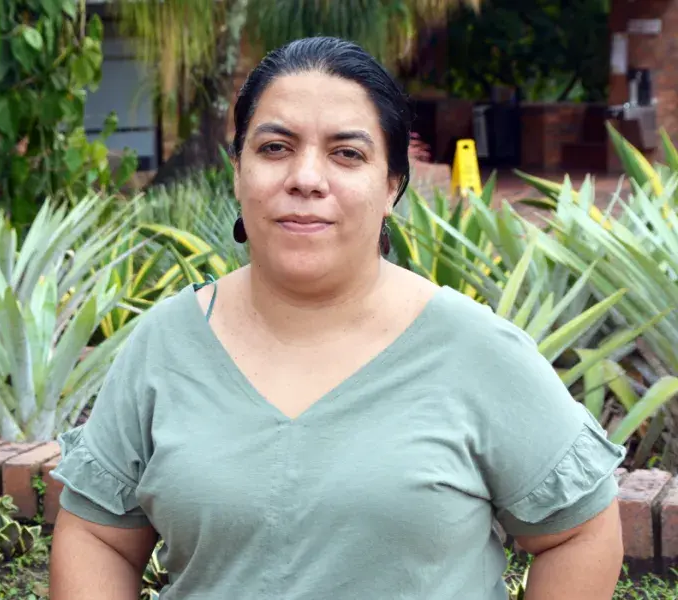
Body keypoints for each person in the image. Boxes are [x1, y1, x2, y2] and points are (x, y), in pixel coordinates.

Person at [49, 36, 625, 599]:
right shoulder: (166, 345)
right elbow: (99, 537)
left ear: (391, 186)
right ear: (237, 171)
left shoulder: (475, 350)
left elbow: (580, 532)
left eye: (346, 153)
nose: (305, 178)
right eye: (274, 147)